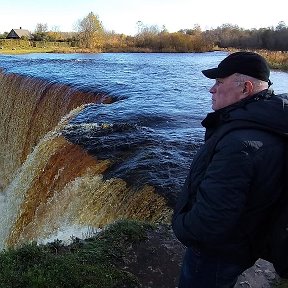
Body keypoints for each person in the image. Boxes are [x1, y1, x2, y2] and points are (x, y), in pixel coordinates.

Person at [172, 51, 288, 288]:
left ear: (245, 88)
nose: (211, 90)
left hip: (218, 251)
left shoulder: (240, 145)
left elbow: (210, 222)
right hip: (246, 240)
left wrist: (181, 225)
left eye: (219, 82)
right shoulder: (270, 119)